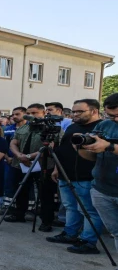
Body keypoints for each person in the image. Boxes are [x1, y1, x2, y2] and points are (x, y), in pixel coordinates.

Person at [46, 99, 104, 254]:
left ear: (94, 111)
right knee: (70, 206)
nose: (75, 114)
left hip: (86, 177)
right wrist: (57, 168)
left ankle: (88, 241)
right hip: (65, 174)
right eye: (73, 111)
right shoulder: (72, 127)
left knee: (89, 211)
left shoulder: (101, 128)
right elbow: (62, 150)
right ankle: (70, 234)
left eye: (80, 111)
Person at [76, 93, 118, 270]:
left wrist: (108, 146)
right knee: (116, 233)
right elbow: (92, 155)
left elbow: (107, 147)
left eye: (117, 115)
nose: (114, 120)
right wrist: (84, 147)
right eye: (110, 115)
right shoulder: (105, 125)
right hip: (102, 189)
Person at [7, 103, 59, 231]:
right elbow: (13, 142)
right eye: (29, 113)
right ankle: (19, 214)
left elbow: (50, 146)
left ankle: (46, 221)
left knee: (45, 194)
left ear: (43, 113)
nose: (31, 115)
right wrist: (19, 155)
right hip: (21, 164)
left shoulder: (50, 128)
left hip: (44, 165)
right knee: (21, 190)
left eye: (34, 113)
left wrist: (29, 156)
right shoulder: (23, 128)